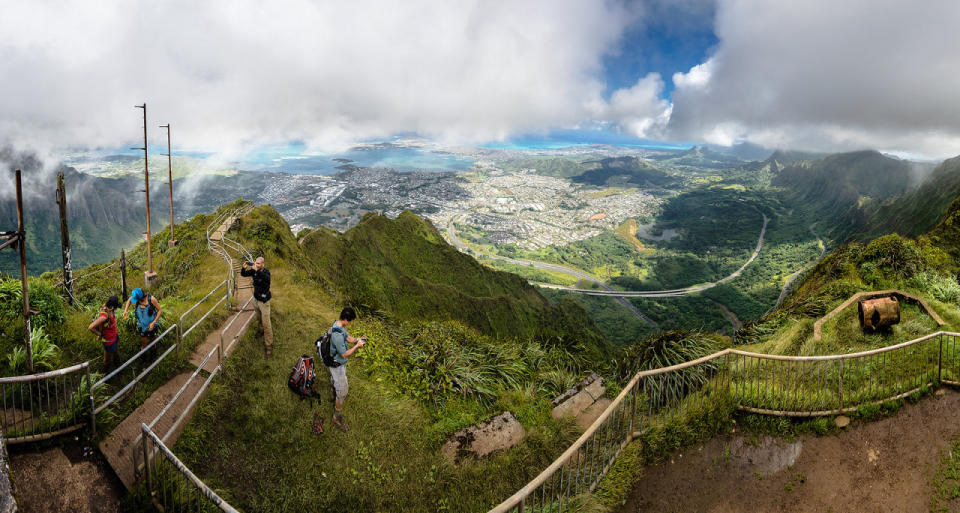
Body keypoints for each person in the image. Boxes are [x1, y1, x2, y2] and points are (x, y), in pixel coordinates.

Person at [325, 307, 367, 432]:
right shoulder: (337, 336)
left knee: (335, 380)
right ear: (346, 320)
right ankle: (336, 417)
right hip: (337, 365)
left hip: (335, 362)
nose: (350, 323)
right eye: (350, 321)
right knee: (343, 391)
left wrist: (357, 340)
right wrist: (357, 347)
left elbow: (348, 337)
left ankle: (333, 394)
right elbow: (344, 354)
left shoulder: (338, 325)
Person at [240, 256, 273, 358]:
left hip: (264, 302)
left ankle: (269, 346)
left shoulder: (266, 273)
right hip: (255, 300)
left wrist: (256, 271)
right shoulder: (254, 270)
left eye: (258, 263)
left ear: (263, 264)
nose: (256, 265)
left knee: (267, 323)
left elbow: (266, 280)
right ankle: (260, 330)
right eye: (255, 263)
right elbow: (243, 274)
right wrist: (243, 268)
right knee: (259, 318)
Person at [88, 296, 121, 367]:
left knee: (116, 352)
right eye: (115, 307)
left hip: (114, 336)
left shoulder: (109, 308)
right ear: (112, 307)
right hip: (108, 340)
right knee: (107, 360)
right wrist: (99, 334)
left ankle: (117, 364)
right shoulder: (104, 317)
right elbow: (90, 327)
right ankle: (106, 373)